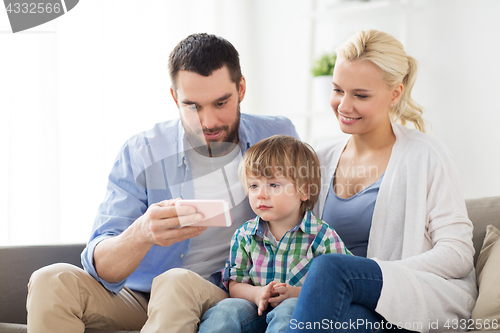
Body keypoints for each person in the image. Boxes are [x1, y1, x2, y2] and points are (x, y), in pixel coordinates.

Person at [26, 33, 299, 333]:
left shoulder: (276, 137)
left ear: (241, 88)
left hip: (222, 293)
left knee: (175, 281)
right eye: (192, 106)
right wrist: (142, 233)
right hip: (141, 297)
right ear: (174, 98)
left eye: (221, 103)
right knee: (50, 280)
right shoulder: (142, 151)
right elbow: (100, 266)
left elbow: (306, 210)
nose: (208, 122)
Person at [286, 30, 477, 333]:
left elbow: (458, 255)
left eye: (360, 95)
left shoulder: (427, 155)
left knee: (331, 267)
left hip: (406, 303)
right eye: (338, 90)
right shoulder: (318, 159)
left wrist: (375, 273)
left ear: (395, 93)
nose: (344, 106)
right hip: (337, 306)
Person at [198, 135, 351, 333]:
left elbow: (341, 285)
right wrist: (257, 294)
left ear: (304, 191)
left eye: (273, 185)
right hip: (253, 309)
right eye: (254, 185)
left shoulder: (322, 237)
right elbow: (235, 284)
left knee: (289, 309)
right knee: (226, 309)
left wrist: (295, 293)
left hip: (296, 311)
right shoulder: (244, 235)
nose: (260, 194)